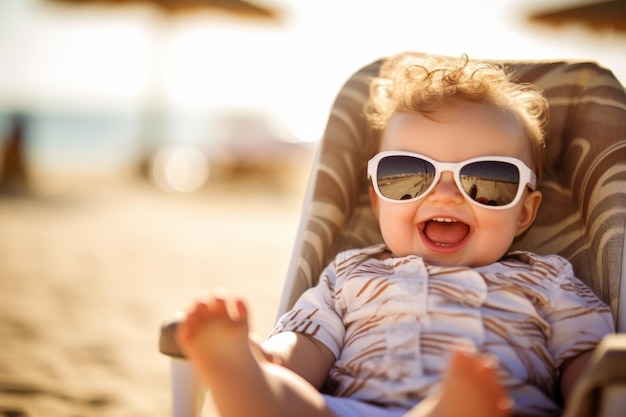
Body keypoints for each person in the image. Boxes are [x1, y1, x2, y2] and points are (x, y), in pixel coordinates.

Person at [176, 53, 615, 417]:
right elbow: (308, 345)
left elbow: (588, 366)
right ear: (378, 197)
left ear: (524, 212)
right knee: (299, 403)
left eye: (487, 179)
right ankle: (242, 378)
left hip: (499, 407)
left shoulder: (550, 281)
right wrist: (267, 359)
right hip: (355, 411)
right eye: (407, 175)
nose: (445, 196)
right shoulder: (347, 275)